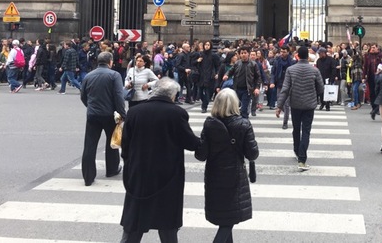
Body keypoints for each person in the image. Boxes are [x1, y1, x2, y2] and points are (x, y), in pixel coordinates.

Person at [120, 77, 201, 243]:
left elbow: (125, 144)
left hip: (139, 172)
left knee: (135, 222)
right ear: (172, 95)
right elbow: (191, 143)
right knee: (167, 223)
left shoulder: (135, 112)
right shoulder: (177, 113)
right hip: (167, 175)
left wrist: (129, 163)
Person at [195, 88, 258, 243]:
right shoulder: (243, 124)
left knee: (226, 217)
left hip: (214, 174)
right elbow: (252, 154)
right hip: (235, 175)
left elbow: (201, 155)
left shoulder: (209, 124)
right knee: (229, 220)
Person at [80, 52, 126, 186]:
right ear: (110, 62)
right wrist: (123, 114)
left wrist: (90, 107)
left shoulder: (89, 75)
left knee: (90, 145)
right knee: (111, 143)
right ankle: (112, 169)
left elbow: (83, 95)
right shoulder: (114, 75)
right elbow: (118, 96)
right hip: (109, 114)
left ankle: (88, 176)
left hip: (92, 114)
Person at [276, 45, 324, 171]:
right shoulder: (315, 70)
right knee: (306, 131)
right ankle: (302, 159)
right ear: (308, 57)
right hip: (309, 105)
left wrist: (279, 106)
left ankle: (297, 151)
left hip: (295, 104)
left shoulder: (291, 70)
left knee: (296, 129)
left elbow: (285, 89)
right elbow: (321, 88)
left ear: (297, 56)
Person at [224, 47, 261, 119]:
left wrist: (257, 88)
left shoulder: (253, 64)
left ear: (248, 54)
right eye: (242, 53)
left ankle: (244, 122)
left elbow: (258, 77)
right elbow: (231, 71)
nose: (243, 55)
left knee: (244, 108)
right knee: (235, 107)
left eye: (245, 53)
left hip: (247, 90)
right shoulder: (237, 63)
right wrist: (226, 75)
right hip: (237, 88)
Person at [196, 40, 221, 112]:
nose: (206, 46)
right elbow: (194, 64)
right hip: (201, 76)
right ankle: (204, 102)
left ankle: (204, 106)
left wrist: (217, 73)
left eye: (208, 45)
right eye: (205, 45)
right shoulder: (200, 54)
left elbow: (218, 65)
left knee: (208, 93)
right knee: (200, 93)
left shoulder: (213, 55)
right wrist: (198, 61)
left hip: (210, 76)